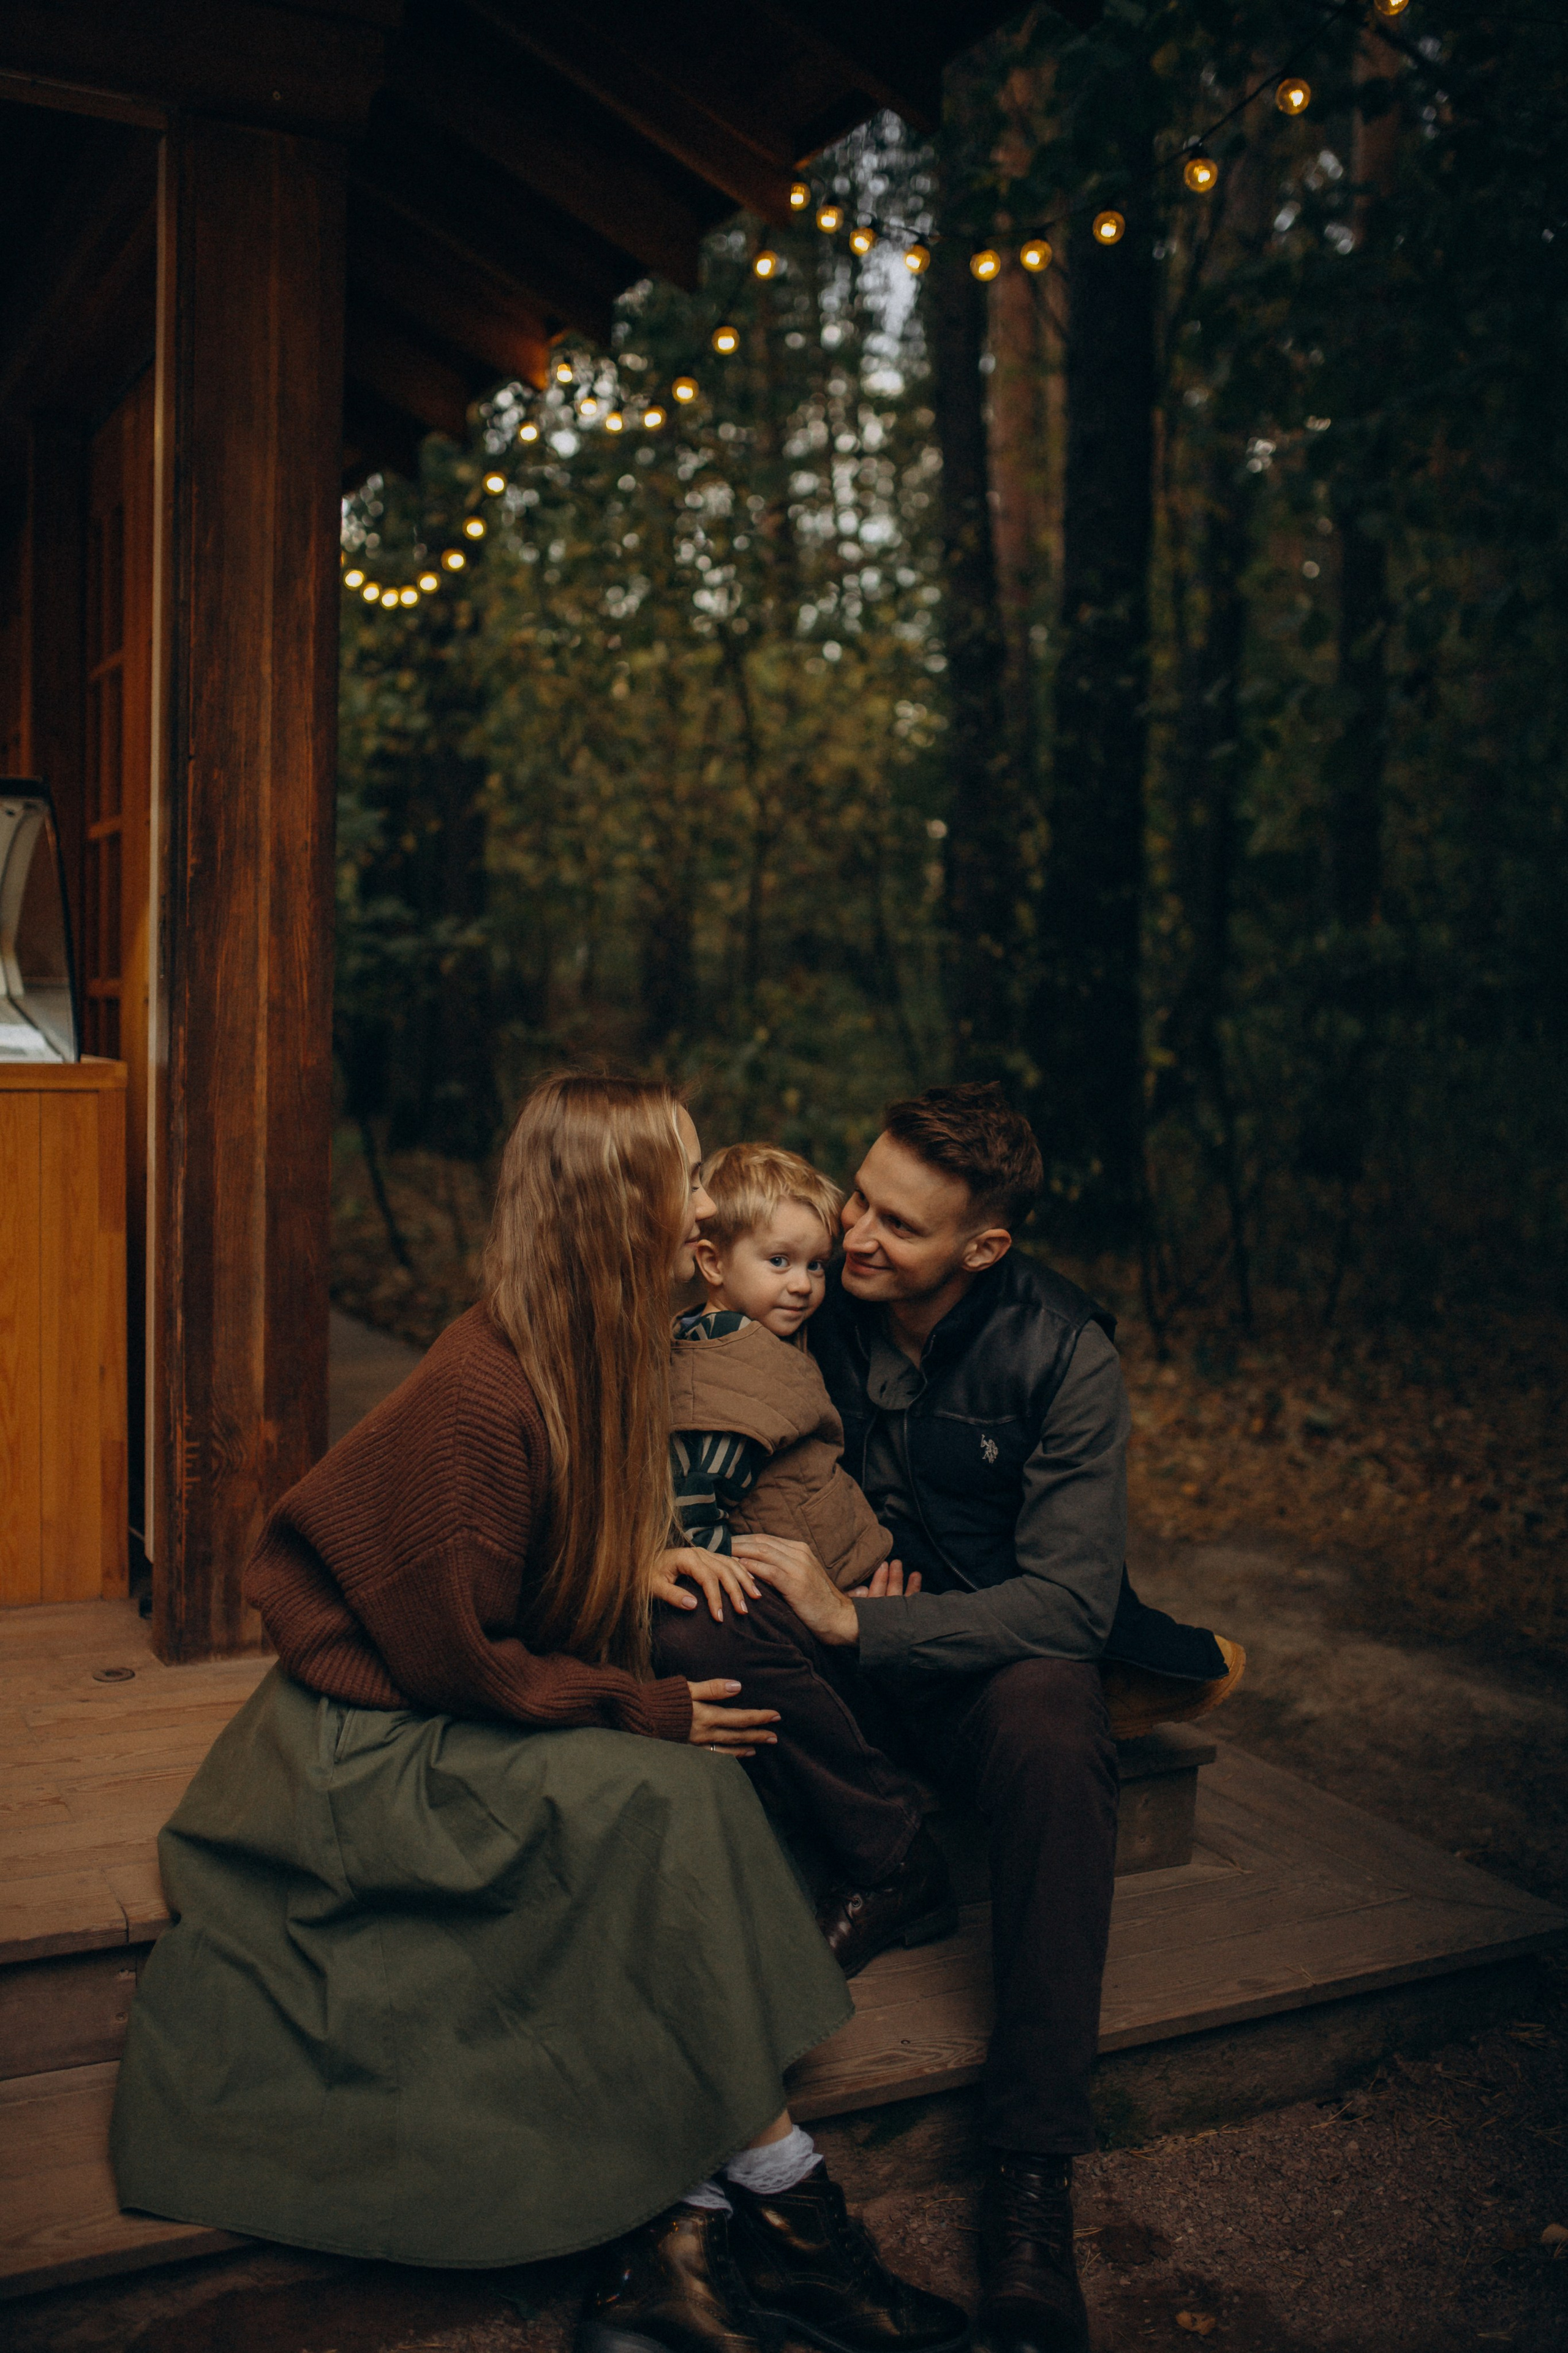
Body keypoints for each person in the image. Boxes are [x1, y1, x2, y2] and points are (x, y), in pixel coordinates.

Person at [110, 1074, 967, 2353]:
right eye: (684, 1178)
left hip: (450, 1692)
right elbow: (462, 1658)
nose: (704, 1207)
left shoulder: (600, 1344)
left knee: (687, 1800)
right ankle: (797, 2221)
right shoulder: (483, 1385)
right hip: (368, 1740)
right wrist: (634, 1705)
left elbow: (538, 1553)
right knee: (667, 1794)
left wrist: (636, 1562)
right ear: (615, 1205)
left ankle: (673, 2250)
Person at [657, 1082, 1243, 2353]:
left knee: (1057, 1720)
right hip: (839, 1673)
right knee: (690, 1623)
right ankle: (886, 1868)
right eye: (859, 1199)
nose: (855, 1236)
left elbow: (1070, 1602)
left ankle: (1031, 2178)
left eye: (897, 1225)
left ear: (984, 1246)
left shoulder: (1062, 1350)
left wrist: (866, 1622)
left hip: (975, 1663)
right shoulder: (802, 1294)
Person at [657, 1141, 956, 1956]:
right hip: (798, 1598)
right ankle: (891, 1852)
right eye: (780, 1261)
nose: (804, 1284)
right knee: (713, 1636)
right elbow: (695, 1501)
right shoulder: (726, 1367)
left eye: (816, 1265)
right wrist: (731, 1574)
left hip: (853, 1585)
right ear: (711, 1262)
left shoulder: (761, 1343)